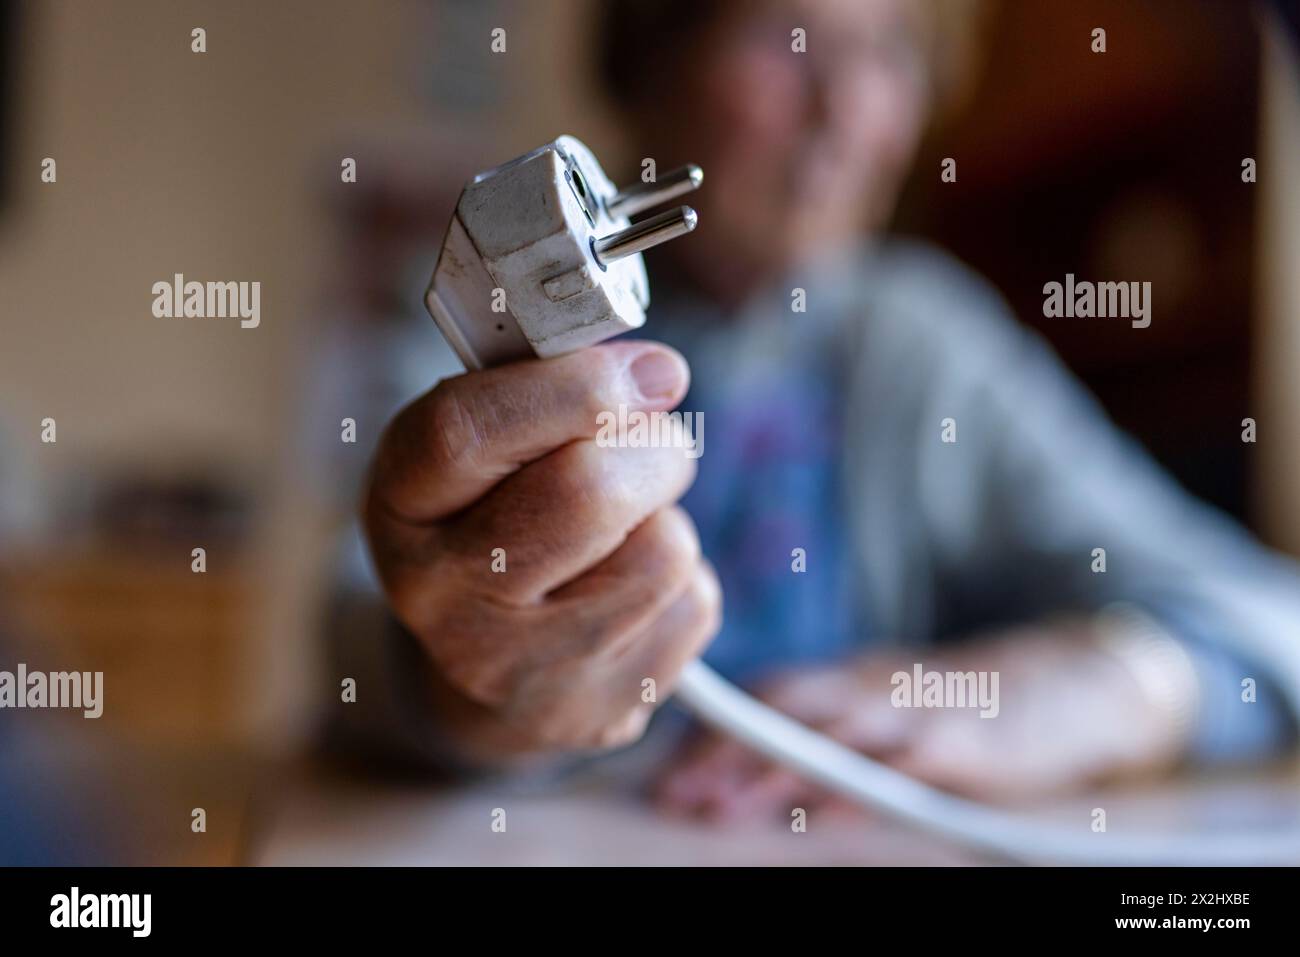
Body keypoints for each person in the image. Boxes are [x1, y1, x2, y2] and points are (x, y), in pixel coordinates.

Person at [344, 0, 1300, 822]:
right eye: (787, 38)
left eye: (889, 48)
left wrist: (1104, 686)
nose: (847, 112)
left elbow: (1272, 618)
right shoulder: (490, 306)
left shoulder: (926, 348)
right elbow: (341, 635)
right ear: (647, 66)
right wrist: (464, 686)